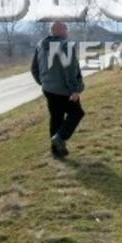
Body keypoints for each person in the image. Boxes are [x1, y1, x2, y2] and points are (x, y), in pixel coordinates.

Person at [30, 20, 84, 158]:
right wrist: (75, 90)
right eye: (66, 29)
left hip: (48, 90)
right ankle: (60, 137)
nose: (67, 31)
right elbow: (70, 70)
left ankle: (56, 151)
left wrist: (43, 83)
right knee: (77, 113)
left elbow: (34, 68)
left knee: (56, 118)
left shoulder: (41, 44)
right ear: (60, 30)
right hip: (64, 91)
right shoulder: (66, 45)